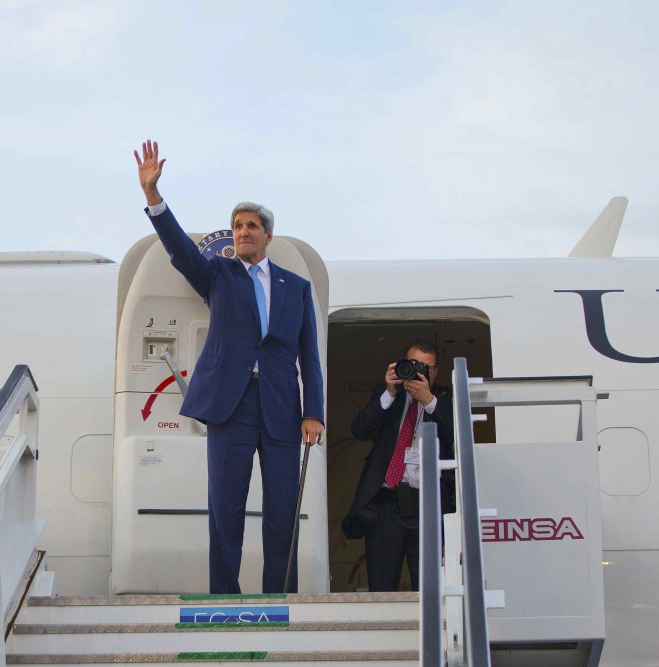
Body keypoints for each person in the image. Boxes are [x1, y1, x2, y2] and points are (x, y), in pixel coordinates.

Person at [133, 140, 325, 594]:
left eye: (251, 226)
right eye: (237, 226)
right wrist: (153, 197)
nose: (242, 232)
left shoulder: (296, 287)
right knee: (225, 508)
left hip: (280, 409)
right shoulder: (218, 275)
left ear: (267, 235)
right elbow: (179, 249)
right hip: (230, 407)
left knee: (281, 510)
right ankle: (225, 596)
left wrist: (313, 411)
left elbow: (310, 356)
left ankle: (279, 596)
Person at [342, 339, 456, 592]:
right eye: (413, 364)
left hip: (428, 505)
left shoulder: (446, 398)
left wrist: (429, 401)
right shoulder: (387, 396)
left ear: (435, 371)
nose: (419, 371)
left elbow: (459, 437)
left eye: (426, 367)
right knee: (381, 584)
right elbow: (360, 430)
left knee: (429, 586)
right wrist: (389, 393)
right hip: (386, 504)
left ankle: (428, 632)